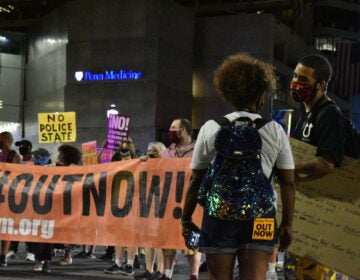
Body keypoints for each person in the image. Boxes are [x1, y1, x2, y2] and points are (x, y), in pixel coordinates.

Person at [180, 53, 296, 280]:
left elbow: (196, 179)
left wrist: (186, 219)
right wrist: (287, 225)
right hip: (261, 218)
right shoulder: (274, 131)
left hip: (218, 217)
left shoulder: (210, 128)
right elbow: (288, 183)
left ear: (228, 93)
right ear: (261, 94)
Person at [290, 54, 353, 279]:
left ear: (321, 85)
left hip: (324, 221)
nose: (296, 82)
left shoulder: (329, 114)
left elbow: (327, 163)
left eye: (303, 79)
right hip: (306, 217)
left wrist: (290, 168)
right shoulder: (305, 116)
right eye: (295, 75)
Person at [161, 118, 202, 280]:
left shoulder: (199, 150)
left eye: (173, 127)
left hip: (191, 202)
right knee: (167, 241)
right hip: (169, 202)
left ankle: (194, 275)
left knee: (191, 243)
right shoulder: (167, 152)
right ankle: (166, 274)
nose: (170, 130)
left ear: (183, 130)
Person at [136, 141, 166, 280]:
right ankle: (149, 269)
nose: (150, 152)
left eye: (154, 150)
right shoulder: (145, 164)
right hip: (148, 205)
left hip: (162, 205)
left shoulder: (167, 164)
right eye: (148, 150)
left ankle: (160, 270)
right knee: (148, 240)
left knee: (159, 240)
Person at [56, 144, 83, 266]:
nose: (59, 156)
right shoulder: (63, 167)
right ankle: (65, 255)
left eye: (61, 154)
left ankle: (68, 257)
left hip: (71, 202)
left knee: (69, 229)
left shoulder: (73, 168)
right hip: (63, 201)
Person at [0, 131, 21, 267]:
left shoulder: (14, 155)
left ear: (6, 140)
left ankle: (3, 255)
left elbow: (19, 173)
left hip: (8, 193)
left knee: (6, 225)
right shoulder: (1, 154)